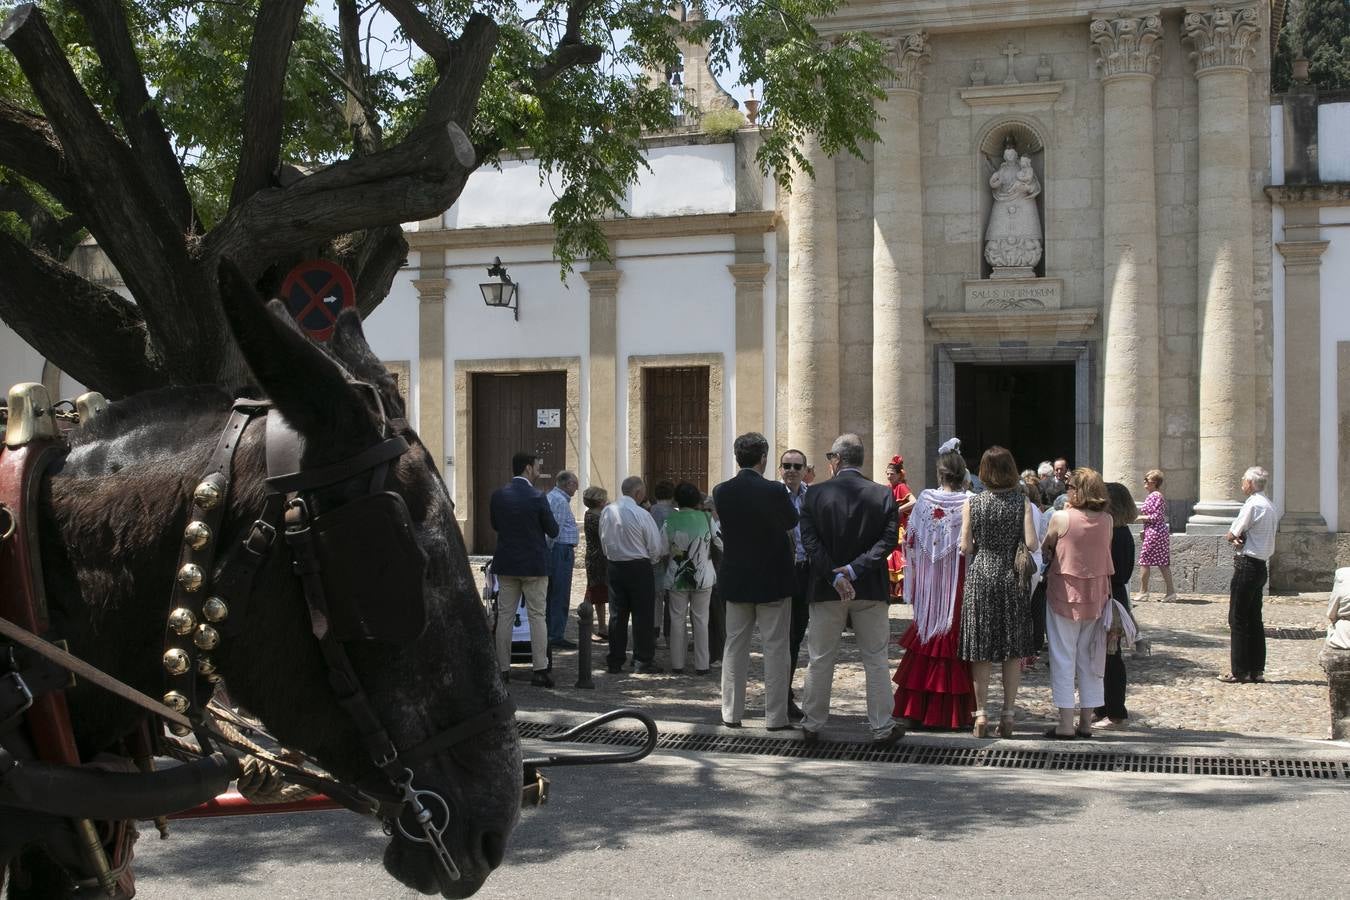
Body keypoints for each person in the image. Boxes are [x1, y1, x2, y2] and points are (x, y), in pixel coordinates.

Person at [799, 434, 905, 747]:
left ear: (836, 460)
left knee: (820, 658)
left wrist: (835, 575)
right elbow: (887, 542)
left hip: (826, 589)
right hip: (869, 587)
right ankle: (882, 726)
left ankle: (812, 723)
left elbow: (810, 542)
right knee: (875, 659)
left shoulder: (815, 494)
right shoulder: (882, 495)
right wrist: (854, 570)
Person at [713, 432, 799, 729]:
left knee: (734, 646)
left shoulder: (722, 490)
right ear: (763, 458)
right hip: (773, 577)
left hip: (736, 577)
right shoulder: (775, 490)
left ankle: (730, 713)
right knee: (775, 648)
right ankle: (775, 716)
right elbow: (792, 521)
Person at [892, 440, 974, 729]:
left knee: (927, 633)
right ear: (963, 473)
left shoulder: (925, 499)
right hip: (956, 579)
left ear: (940, 473)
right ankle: (950, 713)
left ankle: (916, 709)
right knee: (950, 635)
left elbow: (910, 539)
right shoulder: (969, 502)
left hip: (929, 579)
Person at [958, 446, 1038, 739]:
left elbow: (965, 546)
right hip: (1010, 577)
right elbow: (1031, 543)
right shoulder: (1022, 502)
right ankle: (1008, 713)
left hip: (981, 575)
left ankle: (980, 715)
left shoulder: (973, 503)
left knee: (980, 648)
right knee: (1011, 649)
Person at [1039, 467, 1114, 738]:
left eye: (1070, 487)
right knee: (1090, 658)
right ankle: (1085, 721)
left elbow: (1046, 546)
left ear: (1077, 491)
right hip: (1096, 596)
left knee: (1063, 656)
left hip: (1064, 594)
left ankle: (1065, 723)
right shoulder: (1106, 520)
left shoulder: (1061, 517)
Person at [489, 451, 559, 688]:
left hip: (507, 564)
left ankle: (502, 669)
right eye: (537, 466)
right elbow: (553, 530)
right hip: (534, 565)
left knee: (505, 616)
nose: (539, 470)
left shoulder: (498, 495)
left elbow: (496, 525)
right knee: (537, 616)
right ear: (528, 468)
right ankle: (539, 669)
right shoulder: (538, 496)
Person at [599, 476, 666, 675]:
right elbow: (655, 546)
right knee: (642, 614)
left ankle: (615, 659)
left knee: (617, 614)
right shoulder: (641, 514)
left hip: (614, 565)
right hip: (638, 566)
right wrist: (651, 561)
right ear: (638, 493)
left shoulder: (607, 511)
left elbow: (603, 539)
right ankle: (642, 659)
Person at [1220, 466, 1276, 684]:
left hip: (1247, 565)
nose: (1242, 483)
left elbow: (1232, 533)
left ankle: (1239, 670)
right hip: (1261, 565)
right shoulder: (1269, 505)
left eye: (1244, 480)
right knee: (1254, 619)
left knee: (1238, 618)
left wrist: (1232, 537)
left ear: (1251, 483)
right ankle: (1256, 669)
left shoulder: (1252, 504)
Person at [663, 482, 721, 674]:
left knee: (677, 619)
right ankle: (702, 664)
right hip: (703, 576)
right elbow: (720, 542)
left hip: (677, 576)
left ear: (676, 499)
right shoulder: (706, 518)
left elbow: (661, 548)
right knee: (701, 620)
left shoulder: (670, 520)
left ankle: (677, 664)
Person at [1095, 482, 1137, 727]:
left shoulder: (1117, 534)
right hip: (1114, 595)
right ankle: (1102, 707)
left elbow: (1117, 573)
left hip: (1111, 597)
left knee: (1111, 656)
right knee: (1102, 656)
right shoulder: (1119, 532)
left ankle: (1116, 712)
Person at [780, 448, 811, 721]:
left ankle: (784, 693)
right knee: (781, 638)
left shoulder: (812, 495)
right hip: (780, 572)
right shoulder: (773, 495)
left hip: (805, 572)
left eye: (796, 466)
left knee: (796, 637)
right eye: (786, 465)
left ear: (805, 470)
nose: (791, 470)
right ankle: (782, 696)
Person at [544, 470, 580, 649]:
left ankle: (551, 632)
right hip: (559, 551)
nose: (577, 488)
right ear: (567, 484)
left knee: (553, 593)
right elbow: (554, 531)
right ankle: (556, 634)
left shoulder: (555, 498)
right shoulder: (558, 500)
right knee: (559, 593)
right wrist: (550, 551)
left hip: (558, 550)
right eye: (575, 484)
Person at [1138, 469, 1177, 602]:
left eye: (1147, 480)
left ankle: (1143, 592)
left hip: (1155, 532)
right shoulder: (1154, 495)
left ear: (1154, 482)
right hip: (1154, 531)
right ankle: (1170, 592)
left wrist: (1141, 517)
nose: (1145, 482)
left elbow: (1157, 516)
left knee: (1145, 561)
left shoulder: (1155, 496)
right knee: (1161, 562)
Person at [885, 455, 916, 601]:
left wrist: (898, 510)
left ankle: (900, 591)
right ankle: (893, 591)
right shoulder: (888, 488)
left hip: (900, 527)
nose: (889, 476)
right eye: (888, 474)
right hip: (890, 526)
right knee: (891, 555)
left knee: (897, 554)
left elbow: (914, 502)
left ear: (899, 475)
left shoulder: (901, 487)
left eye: (892, 474)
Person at [581, 486, 610, 642]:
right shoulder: (595, 517)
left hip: (597, 557)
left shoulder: (592, 514)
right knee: (594, 591)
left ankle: (602, 627)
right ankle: (592, 627)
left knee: (598, 592)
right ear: (599, 501)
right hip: (598, 558)